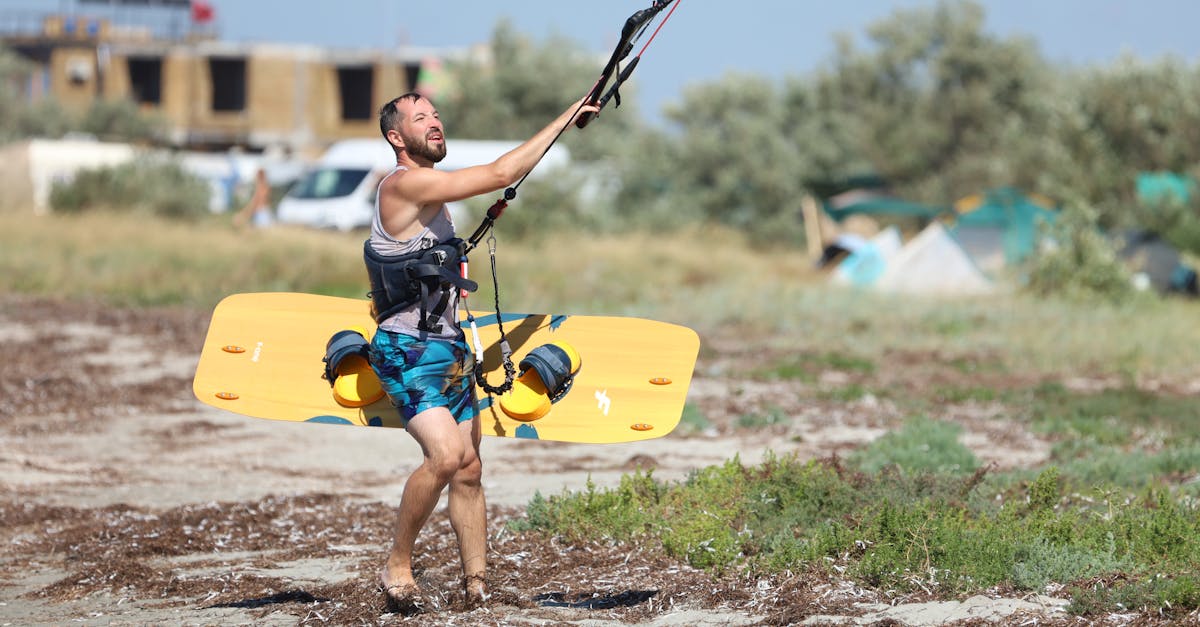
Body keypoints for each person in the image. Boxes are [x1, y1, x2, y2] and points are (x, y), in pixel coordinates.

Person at [367, 92, 599, 609]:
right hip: (406, 350)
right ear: (396, 137)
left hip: (447, 350)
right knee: (446, 456)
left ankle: (477, 586)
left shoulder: (431, 194)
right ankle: (398, 563)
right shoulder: (406, 185)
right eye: (419, 118)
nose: (434, 123)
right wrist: (565, 115)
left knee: (470, 468)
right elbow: (500, 173)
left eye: (435, 115)